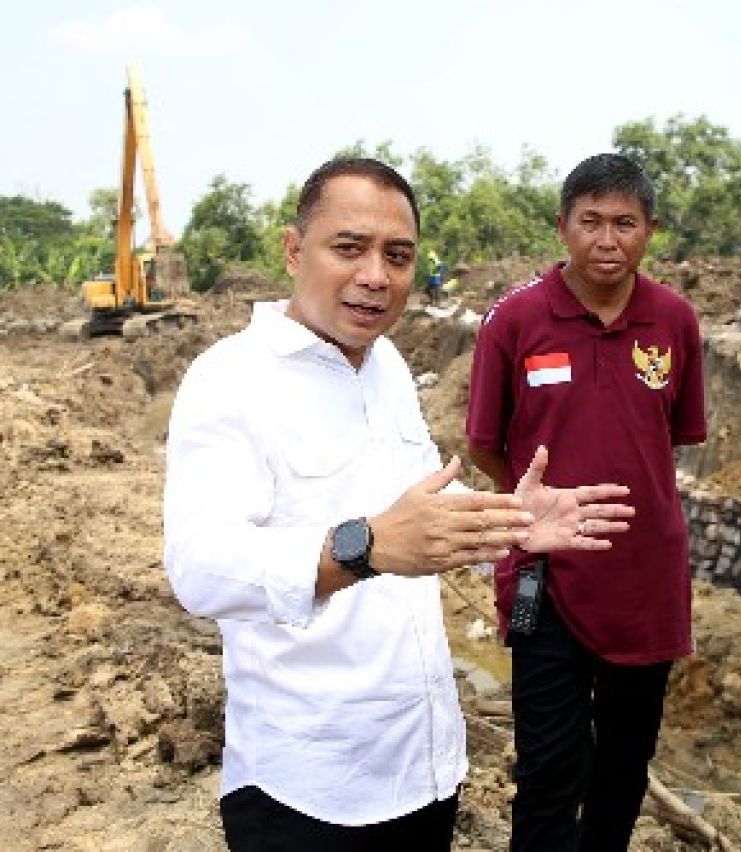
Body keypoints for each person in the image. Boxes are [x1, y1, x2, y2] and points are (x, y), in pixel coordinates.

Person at [163, 157, 635, 851]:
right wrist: (366, 546)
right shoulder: (230, 380)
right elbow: (199, 570)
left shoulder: (385, 368)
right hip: (307, 794)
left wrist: (509, 522)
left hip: (423, 771)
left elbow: (423, 515)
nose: (376, 276)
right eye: (348, 248)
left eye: (398, 255)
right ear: (294, 251)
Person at [466, 153, 706, 852]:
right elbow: (485, 444)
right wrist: (538, 507)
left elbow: (676, 436)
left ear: (650, 230)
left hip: (646, 581)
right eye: (591, 222)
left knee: (625, 763)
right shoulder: (513, 321)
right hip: (549, 577)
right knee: (548, 766)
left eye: (625, 223)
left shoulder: (675, 321)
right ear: (562, 227)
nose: (608, 240)